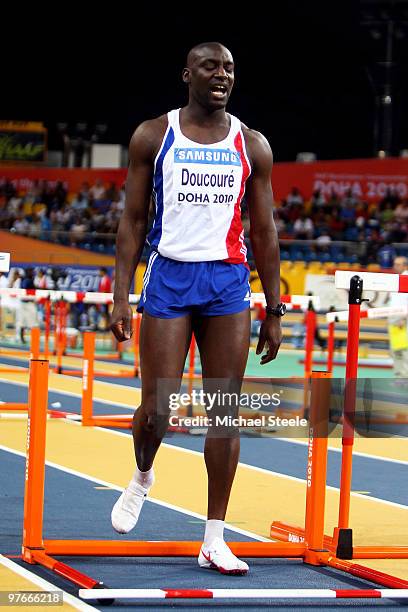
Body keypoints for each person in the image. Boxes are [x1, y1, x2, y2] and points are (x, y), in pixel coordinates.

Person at [110, 42, 283, 575]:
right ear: (187, 74)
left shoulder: (251, 144)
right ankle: (143, 473)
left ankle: (213, 536)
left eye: (229, 68)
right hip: (169, 278)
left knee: (224, 412)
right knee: (157, 411)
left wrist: (275, 307)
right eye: (210, 66)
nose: (221, 75)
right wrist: (121, 291)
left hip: (228, 283)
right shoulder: (153, 135)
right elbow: (134, 220)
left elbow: (264, 230)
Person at [387, 256, 408, 382]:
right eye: (394, 264)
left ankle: (404, 377)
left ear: (405, 266)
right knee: (396, 349)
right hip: (394, 317)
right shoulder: (396, 279)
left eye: (398, 264)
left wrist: (403, 318)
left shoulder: (407, 278)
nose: (395, 266)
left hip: (402, 318)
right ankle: (400, 376)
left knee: (404, 349)